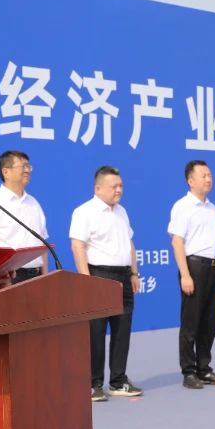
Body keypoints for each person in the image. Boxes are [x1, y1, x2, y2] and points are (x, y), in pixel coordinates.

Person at [71, 166, 143, 402]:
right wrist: (86, 279)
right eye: (114, 186)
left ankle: (118, 381)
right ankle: (93, 384)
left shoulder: (122, 212)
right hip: (99, 276)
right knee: (96, 332)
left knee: (122, 331)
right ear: (98, 188)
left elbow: (129, 244)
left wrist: (134, 273)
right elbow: (78, 246)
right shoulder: (84, 212)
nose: (119, 190)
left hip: (124, 276)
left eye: (121, 185)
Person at [169, 160, 215, 389]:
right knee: (191, 323)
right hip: (194, 267)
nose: (208, 179)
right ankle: (189, 371)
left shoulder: (212, 208)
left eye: (210, 175)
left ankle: (204, 368)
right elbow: (177, 242)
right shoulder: (182, 206)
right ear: (190, 180)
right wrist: (185, 275)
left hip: (213, 269)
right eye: (203, 175)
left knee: (210, 322)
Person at [0, 150, 49, 283]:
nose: (27, 170)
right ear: (6, 172)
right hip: (8, 277)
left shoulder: (34, 203)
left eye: (28, 166)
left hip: (37, 276)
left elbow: (42, 244)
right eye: (23, 166)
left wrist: (46, 277)